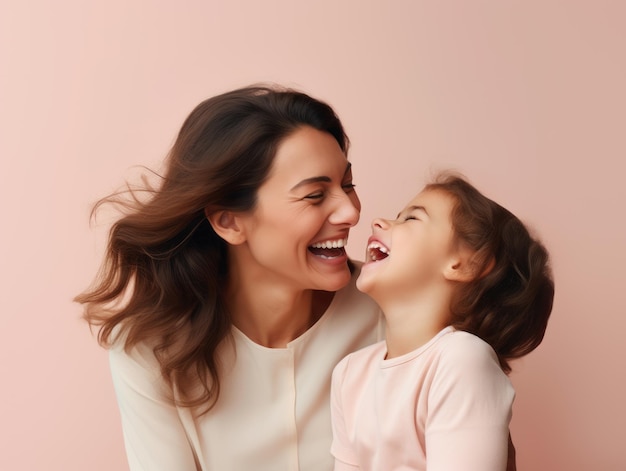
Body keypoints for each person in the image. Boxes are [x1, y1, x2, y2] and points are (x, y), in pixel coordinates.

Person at [75, 84, 384, 471]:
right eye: (314, 195)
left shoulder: (391, 310)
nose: (351, 212)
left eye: (348, 185)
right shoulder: (151, 350)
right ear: (229, 221)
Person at [330, 173, 554, 471]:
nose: (379, 222)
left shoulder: (462, 360)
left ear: (465, 263)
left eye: (412, 219)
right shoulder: (350, 374)